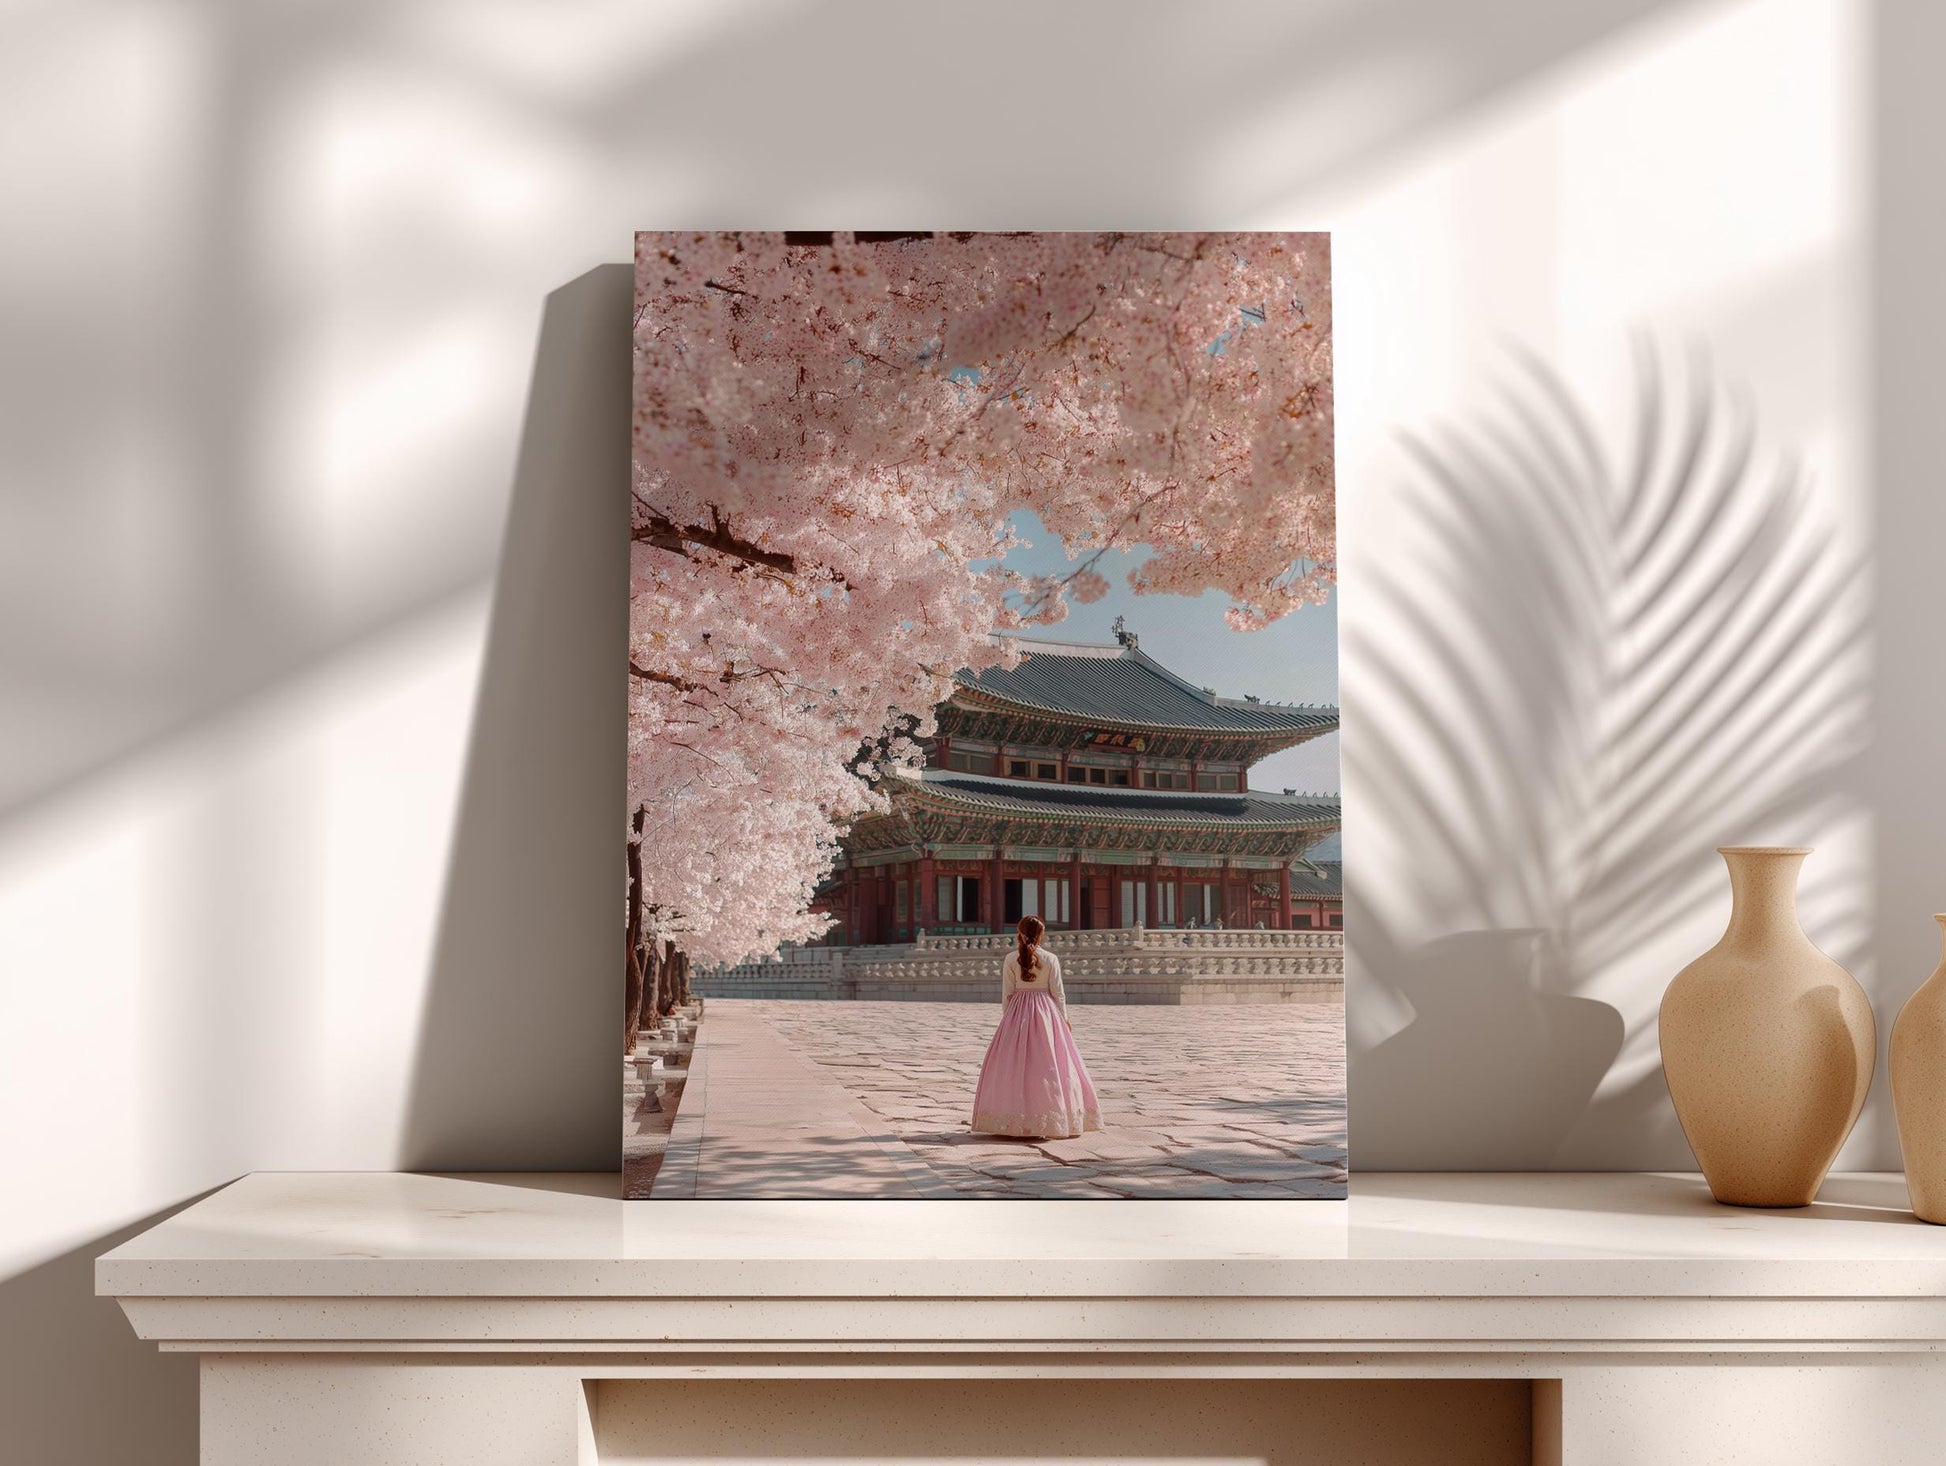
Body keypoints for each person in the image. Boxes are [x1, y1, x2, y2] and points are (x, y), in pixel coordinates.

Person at [970, 915, 1101, 1139]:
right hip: (1046, 1014)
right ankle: (1052, 1115)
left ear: (1019, 934)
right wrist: (1064, 1018)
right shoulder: (1050, 958)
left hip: (1017, 1012)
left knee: (1015, 1065)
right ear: (1041, 935)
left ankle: (1012, 1117)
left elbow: (1008, 993)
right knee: (1050, 1064)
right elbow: (1058, 993)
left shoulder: (1010, 959)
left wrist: (1008, 1021)